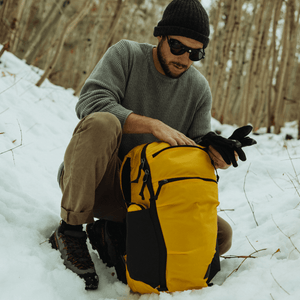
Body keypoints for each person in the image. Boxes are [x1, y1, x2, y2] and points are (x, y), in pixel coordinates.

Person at [49, 0, 253, 290]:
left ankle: (113, 233)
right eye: (178, 46)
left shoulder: (198, 88)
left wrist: (214, 153)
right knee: (102, 122)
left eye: (195, 52)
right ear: (160, 36)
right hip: (96, 183)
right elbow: (91, 103)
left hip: (148, 195)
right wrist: (152, 125)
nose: (184, 58)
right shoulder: (126, 54)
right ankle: (69, 231)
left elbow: (191, 151)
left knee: (220, 237)